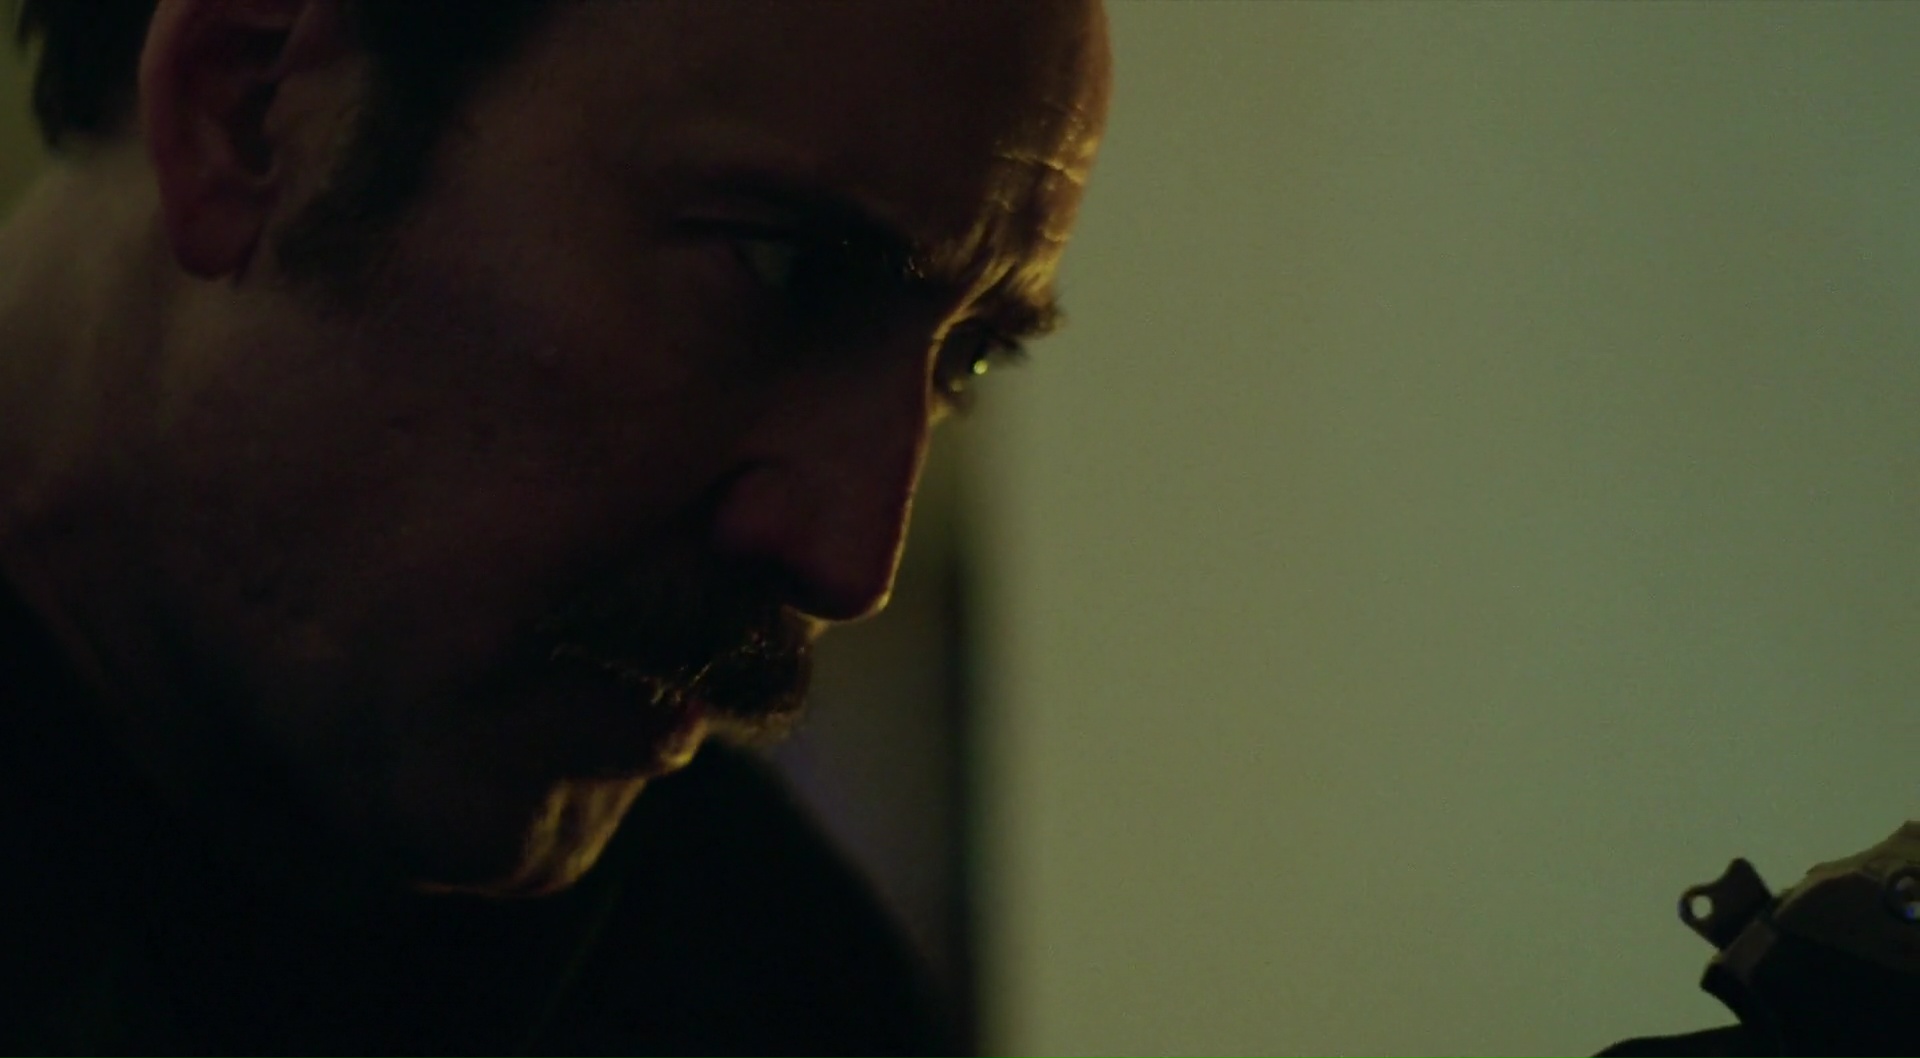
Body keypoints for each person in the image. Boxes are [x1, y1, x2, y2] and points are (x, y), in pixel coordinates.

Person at [0, 0, 1112, 1053]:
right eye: (785, 271)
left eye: (965, 361)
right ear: (246, 109)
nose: (853, 563)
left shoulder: (771, 982)